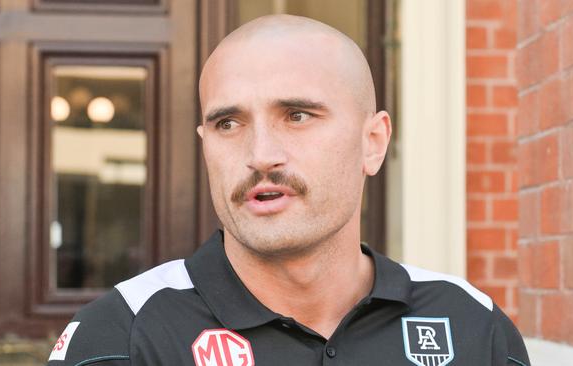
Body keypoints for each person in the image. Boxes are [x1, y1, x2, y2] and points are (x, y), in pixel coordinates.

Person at [47, 15, 530, 366]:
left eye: (297, 115)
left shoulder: (471, 324)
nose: (260, 153)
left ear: (373, 142)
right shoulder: (123, 337)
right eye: (228, 122)